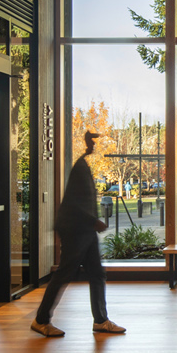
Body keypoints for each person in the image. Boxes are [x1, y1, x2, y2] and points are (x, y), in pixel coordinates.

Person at [31, 131, 126, 337]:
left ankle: (101, 320)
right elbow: (73, 204)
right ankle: (41, 320)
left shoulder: (83, 166)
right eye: (92, 141)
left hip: (84, 230)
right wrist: (94, 221)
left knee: (97, 273)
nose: (95, 146)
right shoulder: (80, 168)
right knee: (65, 273)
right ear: (86, 143)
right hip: (76, 230)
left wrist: (92, 223)